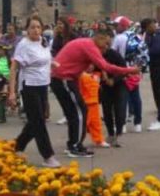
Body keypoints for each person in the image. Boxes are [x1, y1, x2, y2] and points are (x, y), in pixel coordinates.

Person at [50, 29, 139, 157]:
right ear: (99, 38)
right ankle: (74, 146)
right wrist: (130, 70)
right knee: (79, 112)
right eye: (106, 43)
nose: (106, 47)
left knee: (77, 111)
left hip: (64, 78)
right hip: (63, 78)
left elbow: (78, 62)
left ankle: (75, 144)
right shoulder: (90, 46)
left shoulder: (85, 43)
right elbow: (106, 66)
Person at [8, 16, 59, 168]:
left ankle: (17, 146)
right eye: (32, 27)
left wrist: (53, 63)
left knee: (37, 119)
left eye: (38, 27)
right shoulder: (23, 45)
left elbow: (46, 58)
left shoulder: (43, 41)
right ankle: (48, 156)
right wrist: (12, 92)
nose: (36, 30)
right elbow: (14, 68)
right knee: (39, 122)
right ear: (27, 29)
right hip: (29, 86)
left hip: (43, 84)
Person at [143, 18, 160, 131]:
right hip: (157, 67)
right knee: (159, 92)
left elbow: (156, 50)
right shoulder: (154, 34)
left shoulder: (158, 35)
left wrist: (145, 49)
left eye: (146, 28)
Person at [100, 40, 128, 147]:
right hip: (105, 86)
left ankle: (118, 133)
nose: (103, 49)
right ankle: (110, 133)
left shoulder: (114, 55)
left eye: (105, 46)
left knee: (119, 110)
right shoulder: (96, 55)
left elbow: (124, 69)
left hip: (119, 85)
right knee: (106, 110)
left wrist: (114, 80)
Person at [79, 67, 107, 148]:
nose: (90, 66)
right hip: (85, 102)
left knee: (96, 123)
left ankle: (99, 140)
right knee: (84, 124)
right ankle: (77, 142)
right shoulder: (82, 76)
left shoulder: (95, 74)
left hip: (94, 102)